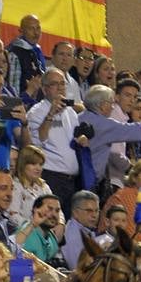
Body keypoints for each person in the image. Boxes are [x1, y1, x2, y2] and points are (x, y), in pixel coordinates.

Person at [79, 85, 141, 185]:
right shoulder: (104, 124)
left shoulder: (80, 116)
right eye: (111, 103)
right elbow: (135, 130)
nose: (113, 107)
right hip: (89, 179)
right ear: (102, 105)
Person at [26, 68, 84, 213]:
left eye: (62, 84)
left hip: (72, 181)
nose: (60, 88)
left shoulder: (70, 111)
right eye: (54, 84)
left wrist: (81, 139)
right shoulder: (36, 112)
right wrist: (51, 114)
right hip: (51, 178)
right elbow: (37, 142)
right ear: (45, 90)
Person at [6, 15, 48, 95]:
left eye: (38, 28)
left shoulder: (37, 50)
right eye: (31, 28)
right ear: (21, 31)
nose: (36, 33)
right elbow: (13, 88)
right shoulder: (15, 53)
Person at [60, 190, 100, 269]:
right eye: (89, 211)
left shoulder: (86, 231)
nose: (94, 215)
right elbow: (77, 268)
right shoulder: (72, 235)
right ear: (75, 213)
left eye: (96, 211)